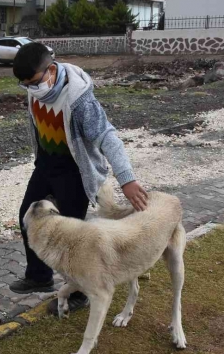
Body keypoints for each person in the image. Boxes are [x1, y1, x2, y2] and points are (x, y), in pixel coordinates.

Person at [10, 42, 149, 313]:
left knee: (72, 238)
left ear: (50, 70)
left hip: (74, 172)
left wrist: (126, 178)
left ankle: (80, 293)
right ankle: (38, 277)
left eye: (34, 82)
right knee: (27, 218)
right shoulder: (35, 89)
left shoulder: (79, 98)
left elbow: (106, 135)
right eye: (24, 84)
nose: (30, 88)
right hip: (46, 165)